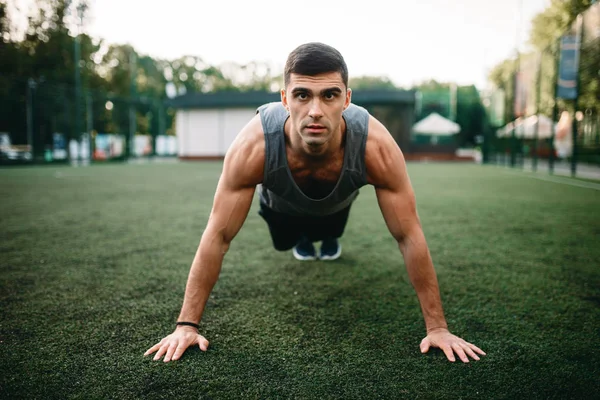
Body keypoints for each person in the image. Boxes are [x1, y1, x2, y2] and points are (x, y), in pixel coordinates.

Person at [145, 42, 486, 364]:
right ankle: (305, 237)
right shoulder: (254, 146)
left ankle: (324, 233)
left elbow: (408, 234)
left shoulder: (375, 146)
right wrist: (186, 326)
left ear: (347, 99)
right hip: (282, 207)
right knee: (288, 242)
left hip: (336, 204)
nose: (315, 111)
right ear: (284, 99)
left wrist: (438, 328)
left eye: (330, 95)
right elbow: (217, 235)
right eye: (302, 95)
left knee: (329, 226)